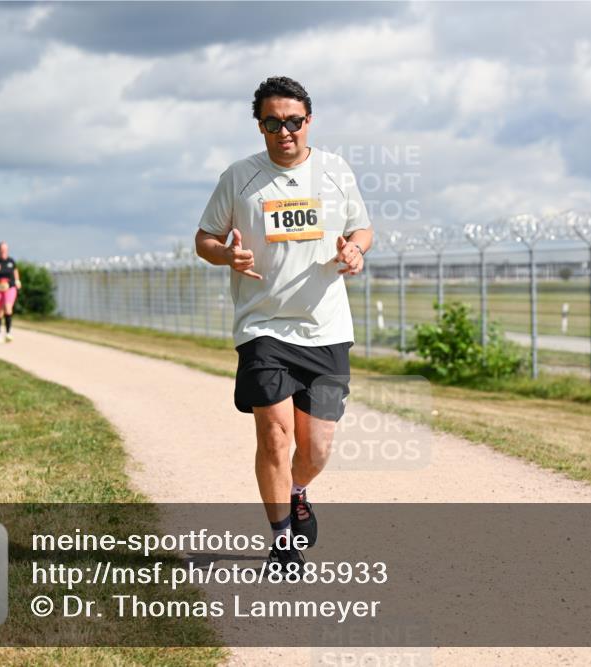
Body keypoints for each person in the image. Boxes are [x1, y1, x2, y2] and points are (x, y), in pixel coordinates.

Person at [195, 77, 373, 571]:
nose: (284, 131)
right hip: (263, 326)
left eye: (293, 121)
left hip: (325, 328)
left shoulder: (335, 171)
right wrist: (226, 254)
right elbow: (205, 238)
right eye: (273, 122)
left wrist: (355, 248)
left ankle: (299, 491)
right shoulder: (239, 177)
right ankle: (283, 542)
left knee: (315, 447)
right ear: (260, 126)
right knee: (274, 435)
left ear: (308, 121)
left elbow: (363, 226)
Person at [0, 242, 21, 343]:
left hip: (9, 287)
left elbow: (15, 272)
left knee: (8, 307)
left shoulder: (11, 261)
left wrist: (17, 280)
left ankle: (8, 332)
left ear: (7, 250)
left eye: (5, 249)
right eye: (1, 249)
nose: (3, 251)